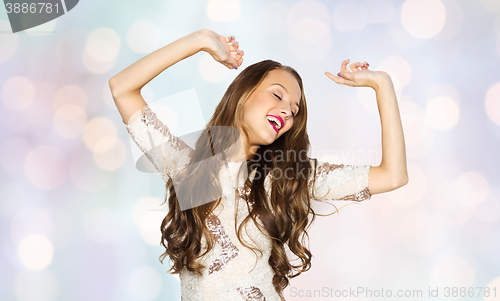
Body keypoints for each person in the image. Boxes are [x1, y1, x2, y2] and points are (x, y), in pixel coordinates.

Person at [109, 28, 408, 301]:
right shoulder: (185, 167)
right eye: (277, 95)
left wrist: (383, 85)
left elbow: (393, 176)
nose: (287, 112)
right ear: (243, 94)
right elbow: (122, 87)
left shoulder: (286, 178)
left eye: (294, 110)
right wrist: (199, 41)